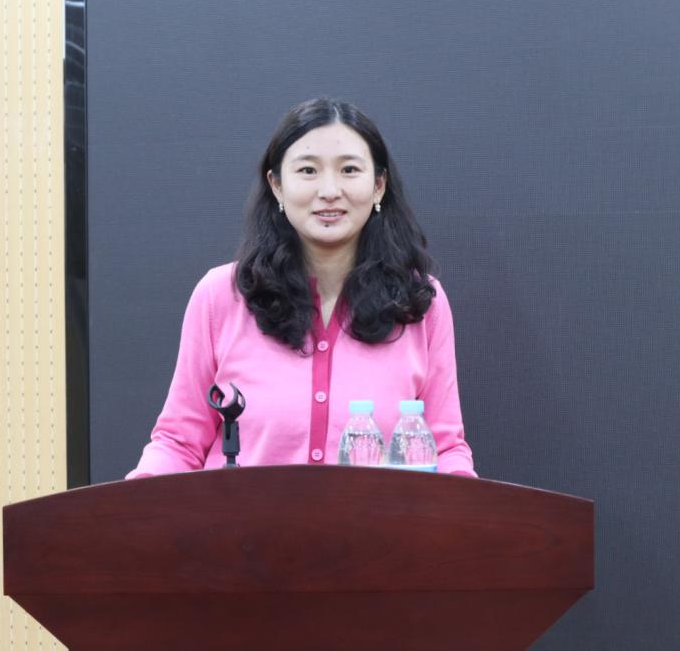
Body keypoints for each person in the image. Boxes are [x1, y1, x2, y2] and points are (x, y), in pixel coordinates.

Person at [126, 98, 476, 478]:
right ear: (276, 185)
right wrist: (135, 503)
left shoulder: (419, 302)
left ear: (378, 186)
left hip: (376, 520)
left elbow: (446, 447)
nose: (329, 190)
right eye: (308, 170)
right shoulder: (221, 296)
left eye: (349, 170)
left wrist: (464, 507)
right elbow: (178, 441)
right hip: (243, 519)